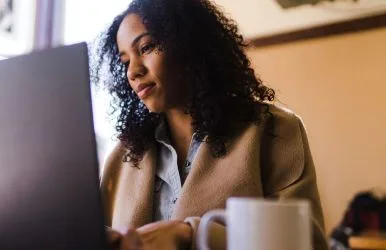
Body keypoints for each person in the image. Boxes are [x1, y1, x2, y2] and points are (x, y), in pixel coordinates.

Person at [95, 0, 328, 249]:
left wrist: (193, 235)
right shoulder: (122, 158)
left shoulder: (274, 132)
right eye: (125, 61)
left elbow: (306, 243)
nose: (133, 71)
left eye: (147, 47)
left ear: (190, 43)